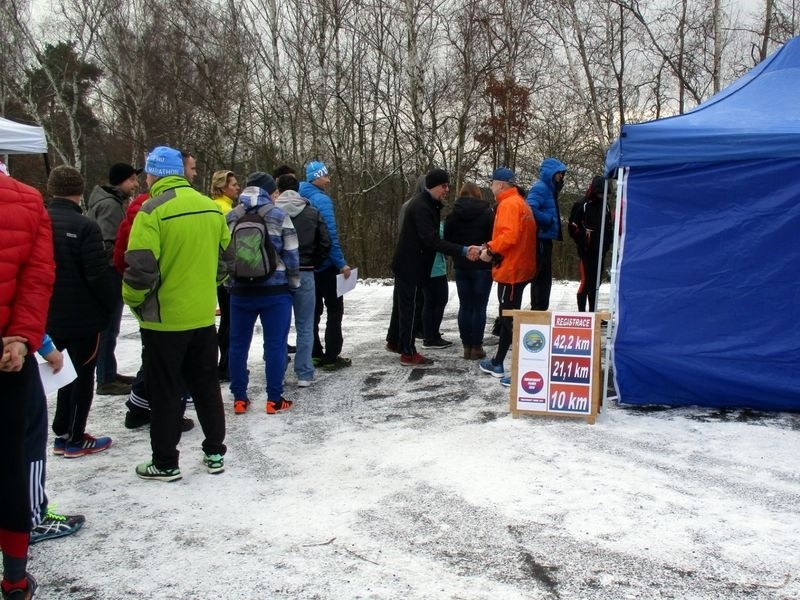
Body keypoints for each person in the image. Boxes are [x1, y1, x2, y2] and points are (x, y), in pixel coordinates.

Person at [123, 146, 229, 481]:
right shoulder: (211, 208)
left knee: (166, 392)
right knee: (206, 387)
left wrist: (134, 300)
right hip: (201, 316)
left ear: (154, 174)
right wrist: (206, 286)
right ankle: (214, 452)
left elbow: (140, 269)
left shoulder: (151, 211)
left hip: (164, 321)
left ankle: (166, 461)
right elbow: (228, 261)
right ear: (181, 173)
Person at [0, 169, 55, 600]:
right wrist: (21, 338)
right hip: (9, 355)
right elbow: (36, 279)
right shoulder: (25, 199)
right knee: (14, 461)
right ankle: (15, 578)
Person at [115, 154, 198, 432]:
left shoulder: (147, 205)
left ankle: (140, 406)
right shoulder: (148, 207)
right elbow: (130, 256)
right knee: (163, 362)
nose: (194, 174)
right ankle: (156, 414)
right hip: (161, 299)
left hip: (167, 297)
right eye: (191, 168)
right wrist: (136, 297)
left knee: (155, 359)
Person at [46, 166, 115, 458]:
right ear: (80, 190)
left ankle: (62, 431)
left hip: (51, 313)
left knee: (61, 370)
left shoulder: (40, 221)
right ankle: (75, 436)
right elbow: (97, 275)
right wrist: (110, 304)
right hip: (84, 315)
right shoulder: (85, 225)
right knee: (82, 374)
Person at [390, 168, 480, 366]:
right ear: (431, 186)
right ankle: (407, 352)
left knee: (409, 308)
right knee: (409, 311)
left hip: (417, 266)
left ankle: (399, 343)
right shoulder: (422, 206)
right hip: (409, 266)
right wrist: (464, 250)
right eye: (443, 186)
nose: (447, 189)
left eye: (448, 185)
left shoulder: (430, 203)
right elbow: (431, 240)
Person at [226, 172, 300, 414]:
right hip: (275, 291)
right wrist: (293, 282)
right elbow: (291, 253)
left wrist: (230, 283)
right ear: (269, 191)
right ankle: (274, 399)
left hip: (240, 291)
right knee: (276, 345)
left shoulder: (231, 216)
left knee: (237, 345)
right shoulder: (279, 215)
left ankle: (239, 398)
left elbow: (223, 254)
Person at [478, 167, 537, 385]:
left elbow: (509, 237)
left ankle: (523, 370)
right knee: (507, 319)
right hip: (519, 268)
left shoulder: (509, 204)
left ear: (501, 184)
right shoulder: (520, 202)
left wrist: (490, 251)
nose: (490, 186)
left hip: (511, 270)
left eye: (492, 182)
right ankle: (498, 362)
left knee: (509, 320)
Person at [87, 162, 141, 395]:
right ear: (121, 181)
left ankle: (108, 370)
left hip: (109, 271)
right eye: (131, 180)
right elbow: (109, 243)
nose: (135, 184)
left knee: (111, 326)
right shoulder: (110, 205)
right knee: (109, 326)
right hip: (110, 273)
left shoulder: (111, 201)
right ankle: (106, 378)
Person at [274, 173, 330, 388]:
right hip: (306, 271)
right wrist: (314, 262)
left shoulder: (272, 213)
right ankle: (304, 372)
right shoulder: (311, 212)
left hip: (278, 275)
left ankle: (277, 372)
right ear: (298, 189)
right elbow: (325, 241)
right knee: (305, 324)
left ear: (278, 189)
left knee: (278, 326)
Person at [299, 161, 352, 370]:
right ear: (316, 177)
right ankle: (332, 355)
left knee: (312, 311)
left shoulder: (298, 197)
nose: (329, 180)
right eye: (325, 176)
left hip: (306, 264)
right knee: (335, 309)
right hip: (326, 265)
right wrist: (341, 263)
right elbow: (330, 236)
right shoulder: (322, 200)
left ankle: (314, 353)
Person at [444, 182, 495, 359]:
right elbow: (494, 239)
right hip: (482, 266)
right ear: (478, 195)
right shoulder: (488, 214)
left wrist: (463, 252)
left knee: (465, 306)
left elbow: (447, 240)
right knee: (479, 307)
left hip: (461, 264)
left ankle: (466, 345)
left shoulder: (452, 215)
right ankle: (477, 346)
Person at [210, 170, 240, 381]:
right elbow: (226, 245)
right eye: (233, 184)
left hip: (219, 272)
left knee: (227, 321)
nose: (237, 187)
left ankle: (224, 364)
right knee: (230, 321)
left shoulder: (220, 206)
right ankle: (226, 365)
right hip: (226, 272)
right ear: (222, 187)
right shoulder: (224, 209)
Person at [526, 157, 567, 311]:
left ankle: (541, 307)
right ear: (551, 173)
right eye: (559, 174)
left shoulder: (549, 189)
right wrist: (548, 220)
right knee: (540, 276)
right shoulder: (541, 188)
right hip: (540, 237)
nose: (561, 177)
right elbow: (529, 208)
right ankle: (538, 308)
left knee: (544, 276)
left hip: (546, 237)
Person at [568, 175, 613, 312]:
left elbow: (609, 226)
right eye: (600, 193)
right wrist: (584, 241)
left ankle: (593, 313)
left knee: (596, 283)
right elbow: (573, 226)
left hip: (601, 250)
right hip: (586, 251)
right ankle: (582, 313)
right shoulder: (582, 204)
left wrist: (607, 243)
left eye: (604, 194)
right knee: (586, 282)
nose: (602, 196)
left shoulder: (606, 205)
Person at [420, 223, 451, 349]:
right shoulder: (433, 222)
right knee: (438, 301)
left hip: (426, 267)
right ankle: (431, 337)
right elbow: (442, 240)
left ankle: (430, 334)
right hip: (435, 268)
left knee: (429, 301)